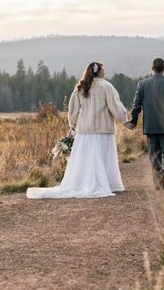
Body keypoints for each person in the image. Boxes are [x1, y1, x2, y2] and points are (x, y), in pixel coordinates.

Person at [27, 61, 127, 199]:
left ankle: (84, 182)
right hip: (103, 129)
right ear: (97, 71)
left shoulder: (80, 87)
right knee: (102, 158)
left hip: (84, 130)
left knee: (86, 159)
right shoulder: (107, 86)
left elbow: (72, 109)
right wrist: (124, 120)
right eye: (103, 70)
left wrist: (72, 125)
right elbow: (115, 106)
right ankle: (106, 183)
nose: (105, 72)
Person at [124, 57, 164, 190]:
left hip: (150, 126)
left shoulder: (142, 84)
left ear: (152, 69)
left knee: (154, 155)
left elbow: (136, 106)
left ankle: (158, 185)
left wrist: (133, 121)